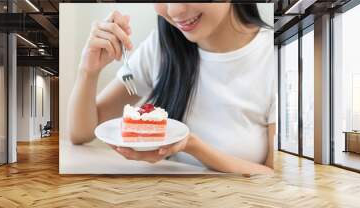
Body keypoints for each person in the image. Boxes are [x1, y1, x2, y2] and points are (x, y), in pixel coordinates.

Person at [68, 3, 276, 175]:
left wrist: (192, 145)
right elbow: (81, 133)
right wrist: (88, 70)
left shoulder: (276, 53)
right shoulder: (162, 44)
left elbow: (273, 175)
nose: (175, 10)